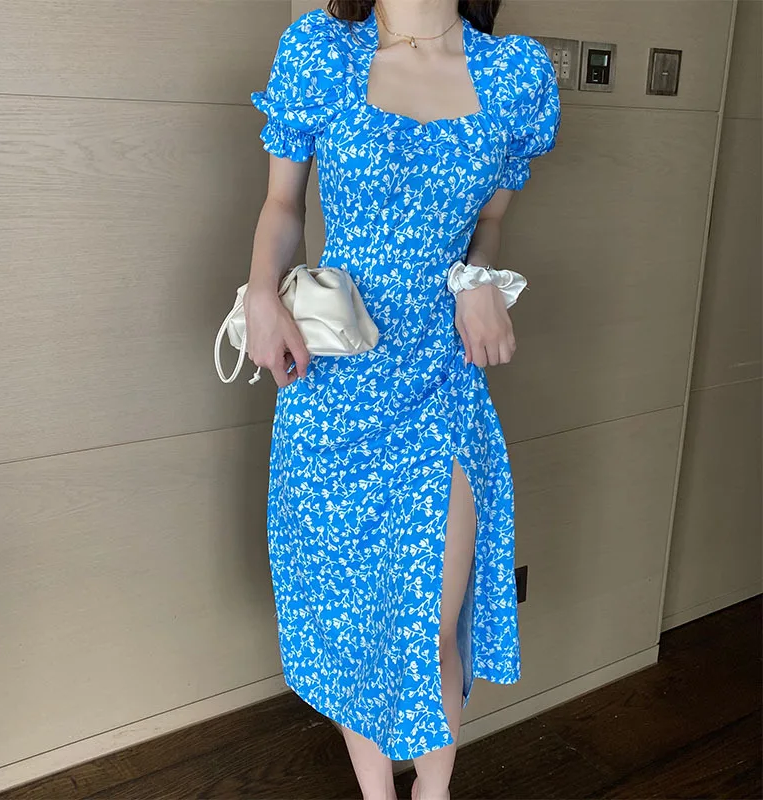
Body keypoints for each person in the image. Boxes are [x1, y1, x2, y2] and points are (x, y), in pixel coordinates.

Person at [245, 1, 561, 798]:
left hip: (438, 384)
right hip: (333, 385)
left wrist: (480, 279)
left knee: (429, 621)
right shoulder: (323, 50)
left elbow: (490, 223)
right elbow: (283, 205)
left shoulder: (514, 75)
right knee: (356, 626)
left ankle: (434, 791)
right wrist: (260, 292)